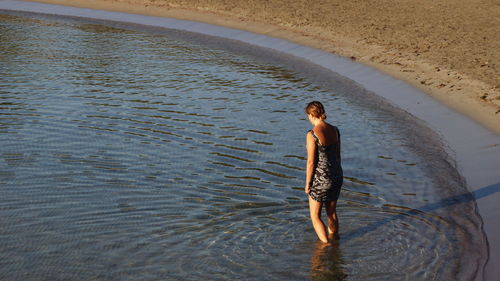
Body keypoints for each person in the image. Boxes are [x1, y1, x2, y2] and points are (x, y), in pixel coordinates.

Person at [304, 101, 343, 243]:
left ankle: (326, 247)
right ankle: (335, 240)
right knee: (331, 213)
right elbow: (338, 155)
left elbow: (311, 162)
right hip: (337, 175)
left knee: (315, 216)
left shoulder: (312, 134)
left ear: (311, 115)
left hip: (321, 179)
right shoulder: (336, 130)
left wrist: (308, 184)